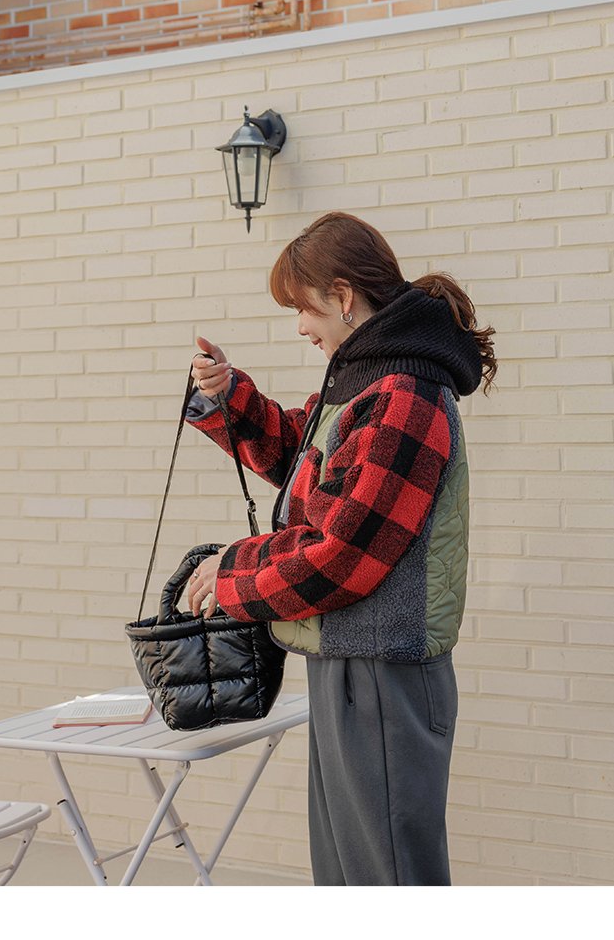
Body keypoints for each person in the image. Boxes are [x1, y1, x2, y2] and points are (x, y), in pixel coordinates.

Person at [183, 211, 496, 886]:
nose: (301, 325)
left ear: (345, 296)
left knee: (385, 878)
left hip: (380, 667)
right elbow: (304, 460)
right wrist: (228, 397)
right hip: (349, 658)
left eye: (304, 307)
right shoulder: (367, 379)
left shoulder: (404, 395)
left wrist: (231, 573)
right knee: (350, 875)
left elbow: (343, 554)